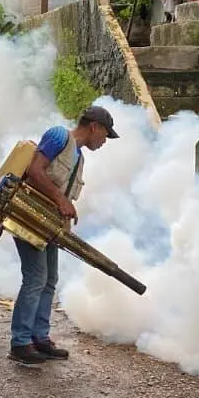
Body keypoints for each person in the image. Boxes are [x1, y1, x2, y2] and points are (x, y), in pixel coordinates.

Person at [8, 105, 119, 366]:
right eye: (105, 134)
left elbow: (63, 193)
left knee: (49, 279)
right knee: (36, 278)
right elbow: (36, 171)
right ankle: (21, 342)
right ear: (94, 127)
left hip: (48, 222)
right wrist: (61, 201)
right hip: (29, 214)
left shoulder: (79, 156)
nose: (104, 141)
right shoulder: (59, 136)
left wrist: (65, 211)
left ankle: (39, 337)